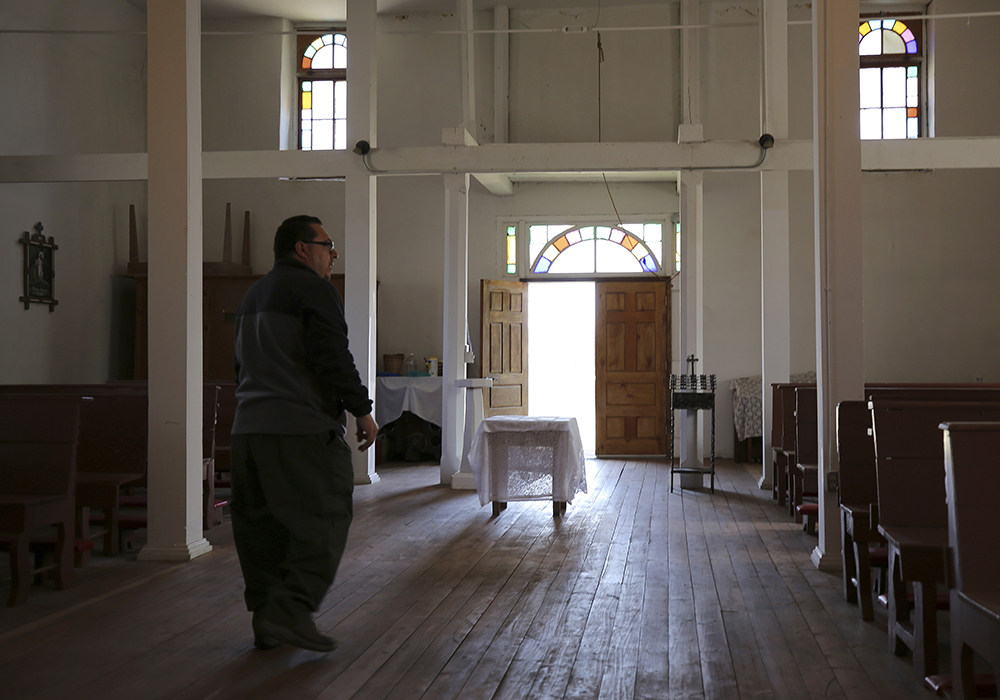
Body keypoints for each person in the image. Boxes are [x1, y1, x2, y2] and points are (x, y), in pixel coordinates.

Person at [230, 214, 378, 653]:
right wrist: (361, 411)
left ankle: (267, 619)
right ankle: (291, 610)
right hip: (299, 429)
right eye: (327, 244)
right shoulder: (315, 290)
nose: (333, 254)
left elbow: (239, 365)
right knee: (325, 516)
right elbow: (331, 356)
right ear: (301, 248)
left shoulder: (253, 294)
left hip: (248, 431)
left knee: (261, 527)